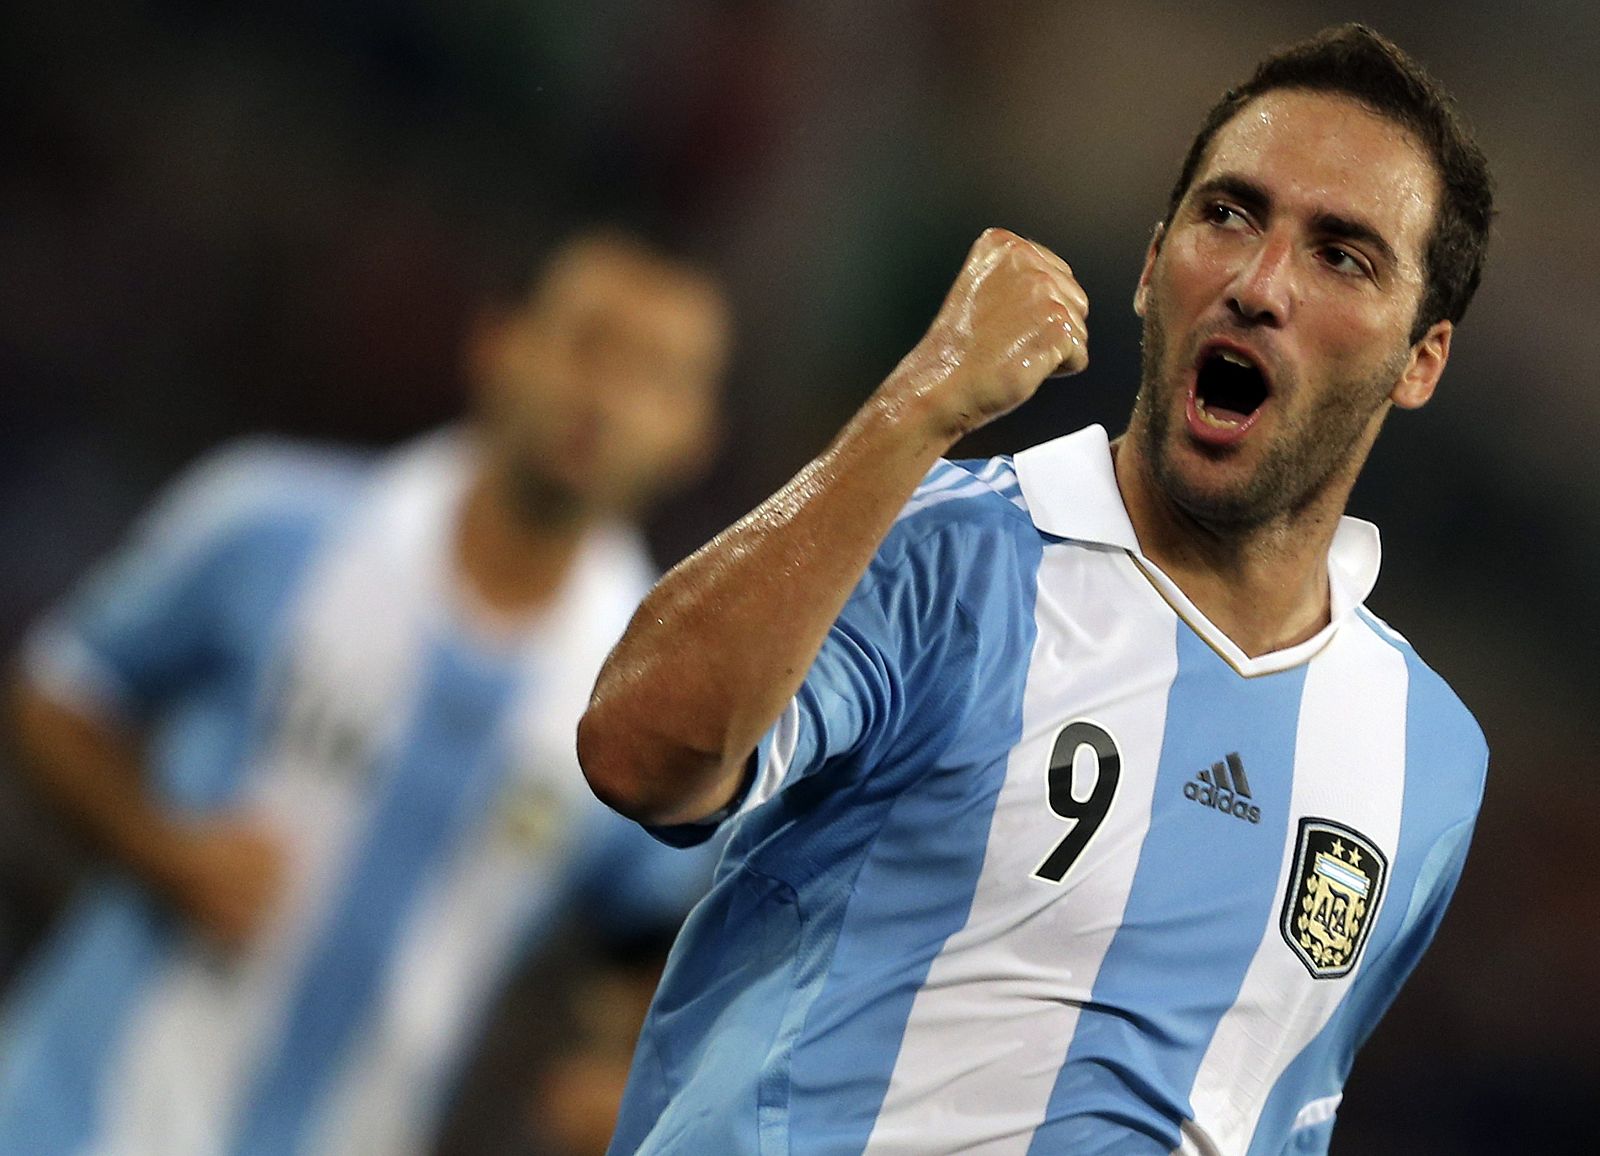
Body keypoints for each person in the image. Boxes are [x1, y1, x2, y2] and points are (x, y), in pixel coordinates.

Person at [578, 24, 1493, 1155]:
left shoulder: (1424, 760)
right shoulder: (947, 551)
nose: (1259, 284)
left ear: (1421, 358)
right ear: (1154, 266)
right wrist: (917, 405)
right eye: (1228, 215)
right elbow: (637, 752)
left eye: (1341, 255)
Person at [0, 228, 732, 1155]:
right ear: (499, 343)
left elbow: (655, 940)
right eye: (587, 343)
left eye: (655, 373)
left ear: (695, 433)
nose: (604, 395)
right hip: (72, 1124)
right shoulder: (271, 521)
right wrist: (162, 849)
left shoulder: (651, 701)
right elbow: (64, 689)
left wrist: (626, 1080)